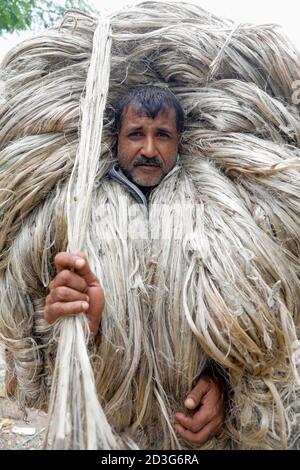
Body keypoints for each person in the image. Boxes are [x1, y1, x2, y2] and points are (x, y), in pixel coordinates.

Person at [44, 86, 226, 447]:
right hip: (109, 433)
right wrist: (76, 323)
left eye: (162, 135)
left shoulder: (212, 211)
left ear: (180, 142)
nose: (148, 149)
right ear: (115, 139)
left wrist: (225, 386)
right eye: (135, 134)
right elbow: (33, 355)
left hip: (194, 438)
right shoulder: (77, 214)